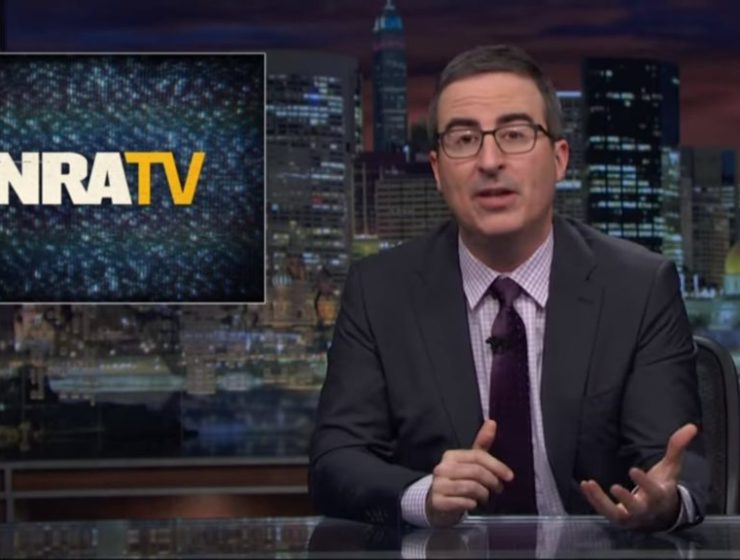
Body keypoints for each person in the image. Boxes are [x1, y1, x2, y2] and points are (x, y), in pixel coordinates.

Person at [309, 44, 709, 531]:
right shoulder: (380, 291)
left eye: (515, 135)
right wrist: (424, 496)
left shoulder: (639, 287)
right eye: (464, 140)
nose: (489, 160)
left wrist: (663, 505)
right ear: (437, 170)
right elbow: (335, 461)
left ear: (559, 159)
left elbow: (673, 466)